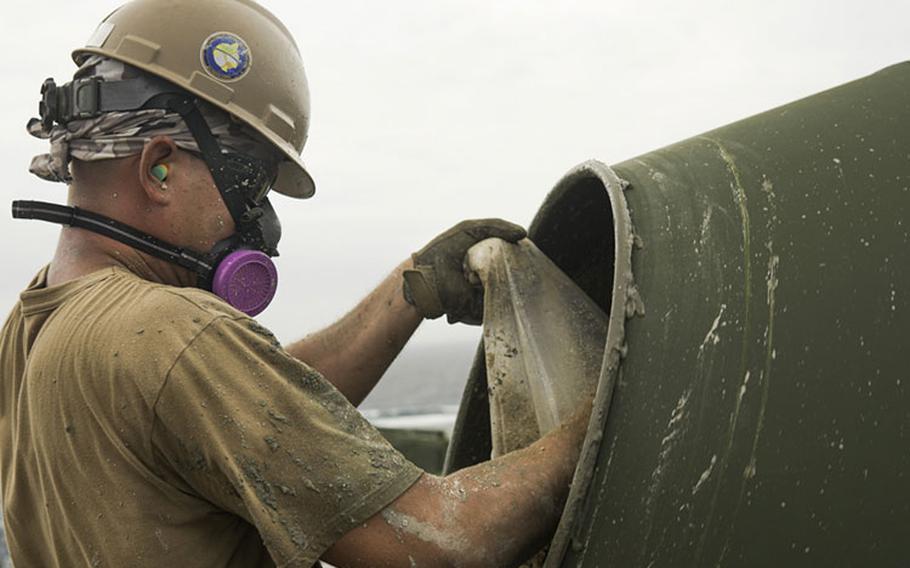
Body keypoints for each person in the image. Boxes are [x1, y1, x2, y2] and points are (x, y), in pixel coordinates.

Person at [0, 1, 593, 566]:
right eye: (251, 187)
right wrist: (601, 417)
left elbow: (249, 419)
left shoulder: (34, 325)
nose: (266, 229)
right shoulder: (172, 335)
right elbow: (441, 542)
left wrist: (409, 293)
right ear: (159, 167)